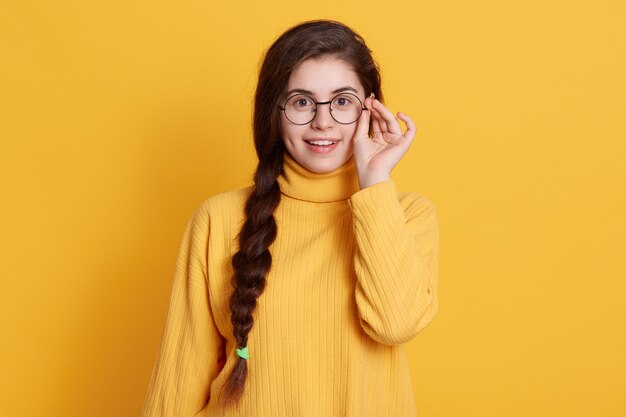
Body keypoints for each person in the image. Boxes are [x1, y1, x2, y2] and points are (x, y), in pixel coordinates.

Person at [141, 19, 440, 417]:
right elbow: (178, 382)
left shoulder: (406, 215)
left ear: (371, 110)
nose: (322, 121)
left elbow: (394, 324)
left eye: (342, 101)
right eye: (302, 101)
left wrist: (374, 184)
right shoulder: (218, 220)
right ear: (274, 112)